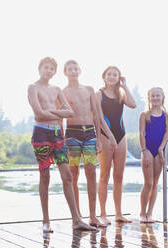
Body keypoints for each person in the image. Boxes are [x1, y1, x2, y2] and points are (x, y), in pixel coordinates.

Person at [27, 57, 96, 232]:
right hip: (41, 134)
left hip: (57, 135)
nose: (48, 71)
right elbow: (38, 114)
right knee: (45, 177)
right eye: (46, 68)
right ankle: (46, 221)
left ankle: (77, 220)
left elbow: (69, 111)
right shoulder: (33, 88)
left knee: (67, 176)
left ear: (54, 72)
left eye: (52, 69)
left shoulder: (57, 89)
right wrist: (57, 114)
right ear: (39, 68)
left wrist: (49, 112)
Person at [62, 60, 106, 228]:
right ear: (65, 72)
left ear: (80, 71)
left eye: (75, 69)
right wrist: (62, 141)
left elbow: (96, 115)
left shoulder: (89, 90)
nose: (73, 71)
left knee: (91, 173)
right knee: (73, 175)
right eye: (69, 69)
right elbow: (60, 118)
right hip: (72, 135)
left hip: (89, 134)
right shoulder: (63, 92)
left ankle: (93, 216)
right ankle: (77, 216)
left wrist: (99, 140)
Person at [95, 66, 136, 225]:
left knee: (119, 176)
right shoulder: (98, 94)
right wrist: (110, 136)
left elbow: (133, 104)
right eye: (109, 74)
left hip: (121, 136)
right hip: (106, 135)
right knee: (104, 174)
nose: (112, 77)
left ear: (118, 77)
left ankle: (118, 213)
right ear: (104, 77)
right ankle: (103, 214)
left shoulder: (121, 94)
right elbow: (98, 118)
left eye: (115, 75)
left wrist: (125, 85)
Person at [139, 87, 168, 223]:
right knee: (148, 182)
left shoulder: (167, 114)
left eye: (158, 96)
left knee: (155, 183)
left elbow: (167, 133)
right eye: (153, 96)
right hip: (147, 151)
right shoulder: (144, 115)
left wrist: (161, 148)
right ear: (149, 98)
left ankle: (149, 213)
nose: (155, 98)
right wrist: (144, 150)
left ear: (162, 97)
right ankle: (142, 213)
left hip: (159, 151)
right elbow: (141, 133)